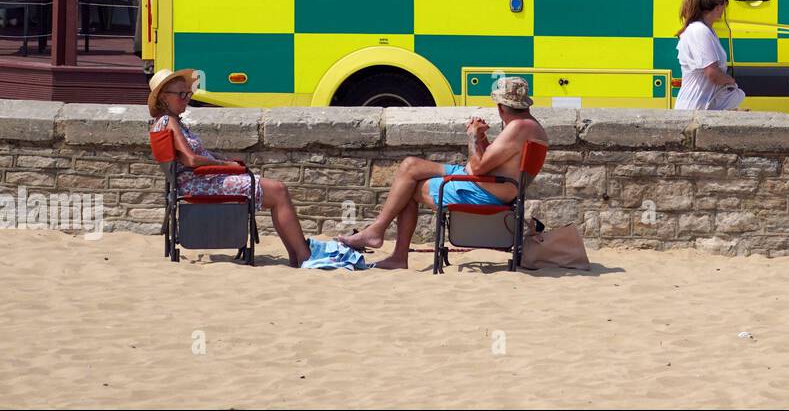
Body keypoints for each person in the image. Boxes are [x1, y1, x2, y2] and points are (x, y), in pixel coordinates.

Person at [340, 76, 548, 269]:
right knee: (410, 165)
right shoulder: (531, 126)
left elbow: (477, 166)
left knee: (410, 188)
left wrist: (472, 136)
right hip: (485, 181)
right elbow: (492, 162)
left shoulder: (518, 128)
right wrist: (483, 139)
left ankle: (394, 251)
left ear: (501, 107)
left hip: (483, 190)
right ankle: (379, 233)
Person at [148, 68, 312, 266]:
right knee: (278, 190)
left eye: (188, 93)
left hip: (199, 181)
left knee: (277, 190)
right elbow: (191, 160)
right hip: (199, 184)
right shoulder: (169, 121)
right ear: (164, 97)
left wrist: (222, 160)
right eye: (181, 94)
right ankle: (302, 255)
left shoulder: (168, 122)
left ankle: (297, 255)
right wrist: (224, 164)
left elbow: (192, 156)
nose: (186, 98)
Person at [674, 0, 745, 111]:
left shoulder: (706, 30)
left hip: (701, 106)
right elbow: (712, 73)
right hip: (695, 109)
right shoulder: (700, 31)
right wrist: (730, 81)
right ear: (719, 6)